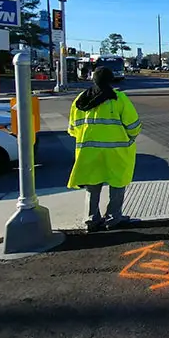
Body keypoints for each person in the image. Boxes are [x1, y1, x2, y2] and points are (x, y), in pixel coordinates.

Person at [67, 66, 142, 232]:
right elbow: (133, 126)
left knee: (92, 186)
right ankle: (113, 219)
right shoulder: (119, 98)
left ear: (93, 79)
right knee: (117, 184)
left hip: (88, 152)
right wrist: (130, 138)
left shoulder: (80, 100)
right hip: (116, 152)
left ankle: (91, 220)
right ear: (110, 80)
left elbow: (72, 129)